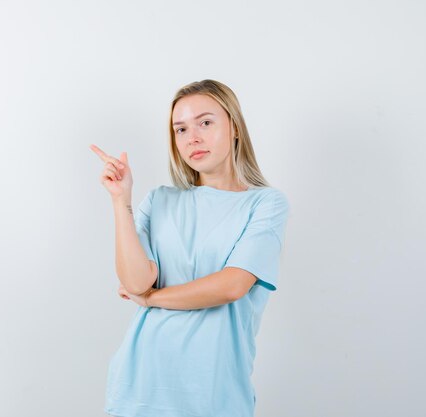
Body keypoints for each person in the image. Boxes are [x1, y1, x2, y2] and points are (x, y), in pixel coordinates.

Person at [89, 79, 290, 417]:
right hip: (139, 387)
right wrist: (121, 200)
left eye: (205, 123)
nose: (192, 137)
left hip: (212, 393)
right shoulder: (159, 200)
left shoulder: (265, 204)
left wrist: (152, 300)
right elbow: (137, 281)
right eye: (180, 129)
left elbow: (231, 286)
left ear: (235, 127)